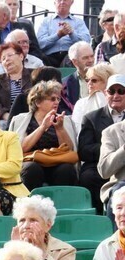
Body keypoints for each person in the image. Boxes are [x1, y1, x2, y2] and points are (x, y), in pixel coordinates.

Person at [9, 80, 78, 190]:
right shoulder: (20, 120)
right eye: (52, 99)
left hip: (56, 161)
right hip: (31, 162)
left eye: (58, 99)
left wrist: (60, 129)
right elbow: (20, 148)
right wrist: (42, 127)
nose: (57, 102)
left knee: (67, 169)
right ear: (37, 102)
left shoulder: (65, 120)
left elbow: (69, 150)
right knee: (32, 169)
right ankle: (29, 201)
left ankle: (62, 200)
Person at [78, 73, 125, 213]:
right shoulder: (92, 118)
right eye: (112, 91)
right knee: (89, 176)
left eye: (121, 91)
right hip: (99, 164)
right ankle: (97, 214)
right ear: (105, 93)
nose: (116, 95)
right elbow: (84, 150)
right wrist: (109, 149)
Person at [36, 0, 91, 68]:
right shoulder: (46, 21)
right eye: (59, 0)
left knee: (72, 58)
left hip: (70, 57)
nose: (62, 2)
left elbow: (86, 43)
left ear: (72, 2)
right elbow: (40, 44)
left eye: (65, 0)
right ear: (54, 2)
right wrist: (57, 35)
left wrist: (72, 33)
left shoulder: (79, 22)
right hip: (49, 58)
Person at [0, 43, 33, 127]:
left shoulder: (35, 75)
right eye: (3, 58)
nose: (7, 59)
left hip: (32, 116)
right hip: (7, 119)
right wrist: (5, 115)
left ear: (21, 56)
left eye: (10, 55)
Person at [72, 63, 115, 132]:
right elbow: (79, 130)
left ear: (107, 81)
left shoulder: (118, 101)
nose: (89, 83)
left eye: (94, 80)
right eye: (87, 80)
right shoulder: (81, 103)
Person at [62, 42, 96, 109]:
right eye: (85, 58)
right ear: (75, 62)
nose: (91, 60)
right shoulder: (65, 84)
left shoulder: (104, 78)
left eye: (92, 56)